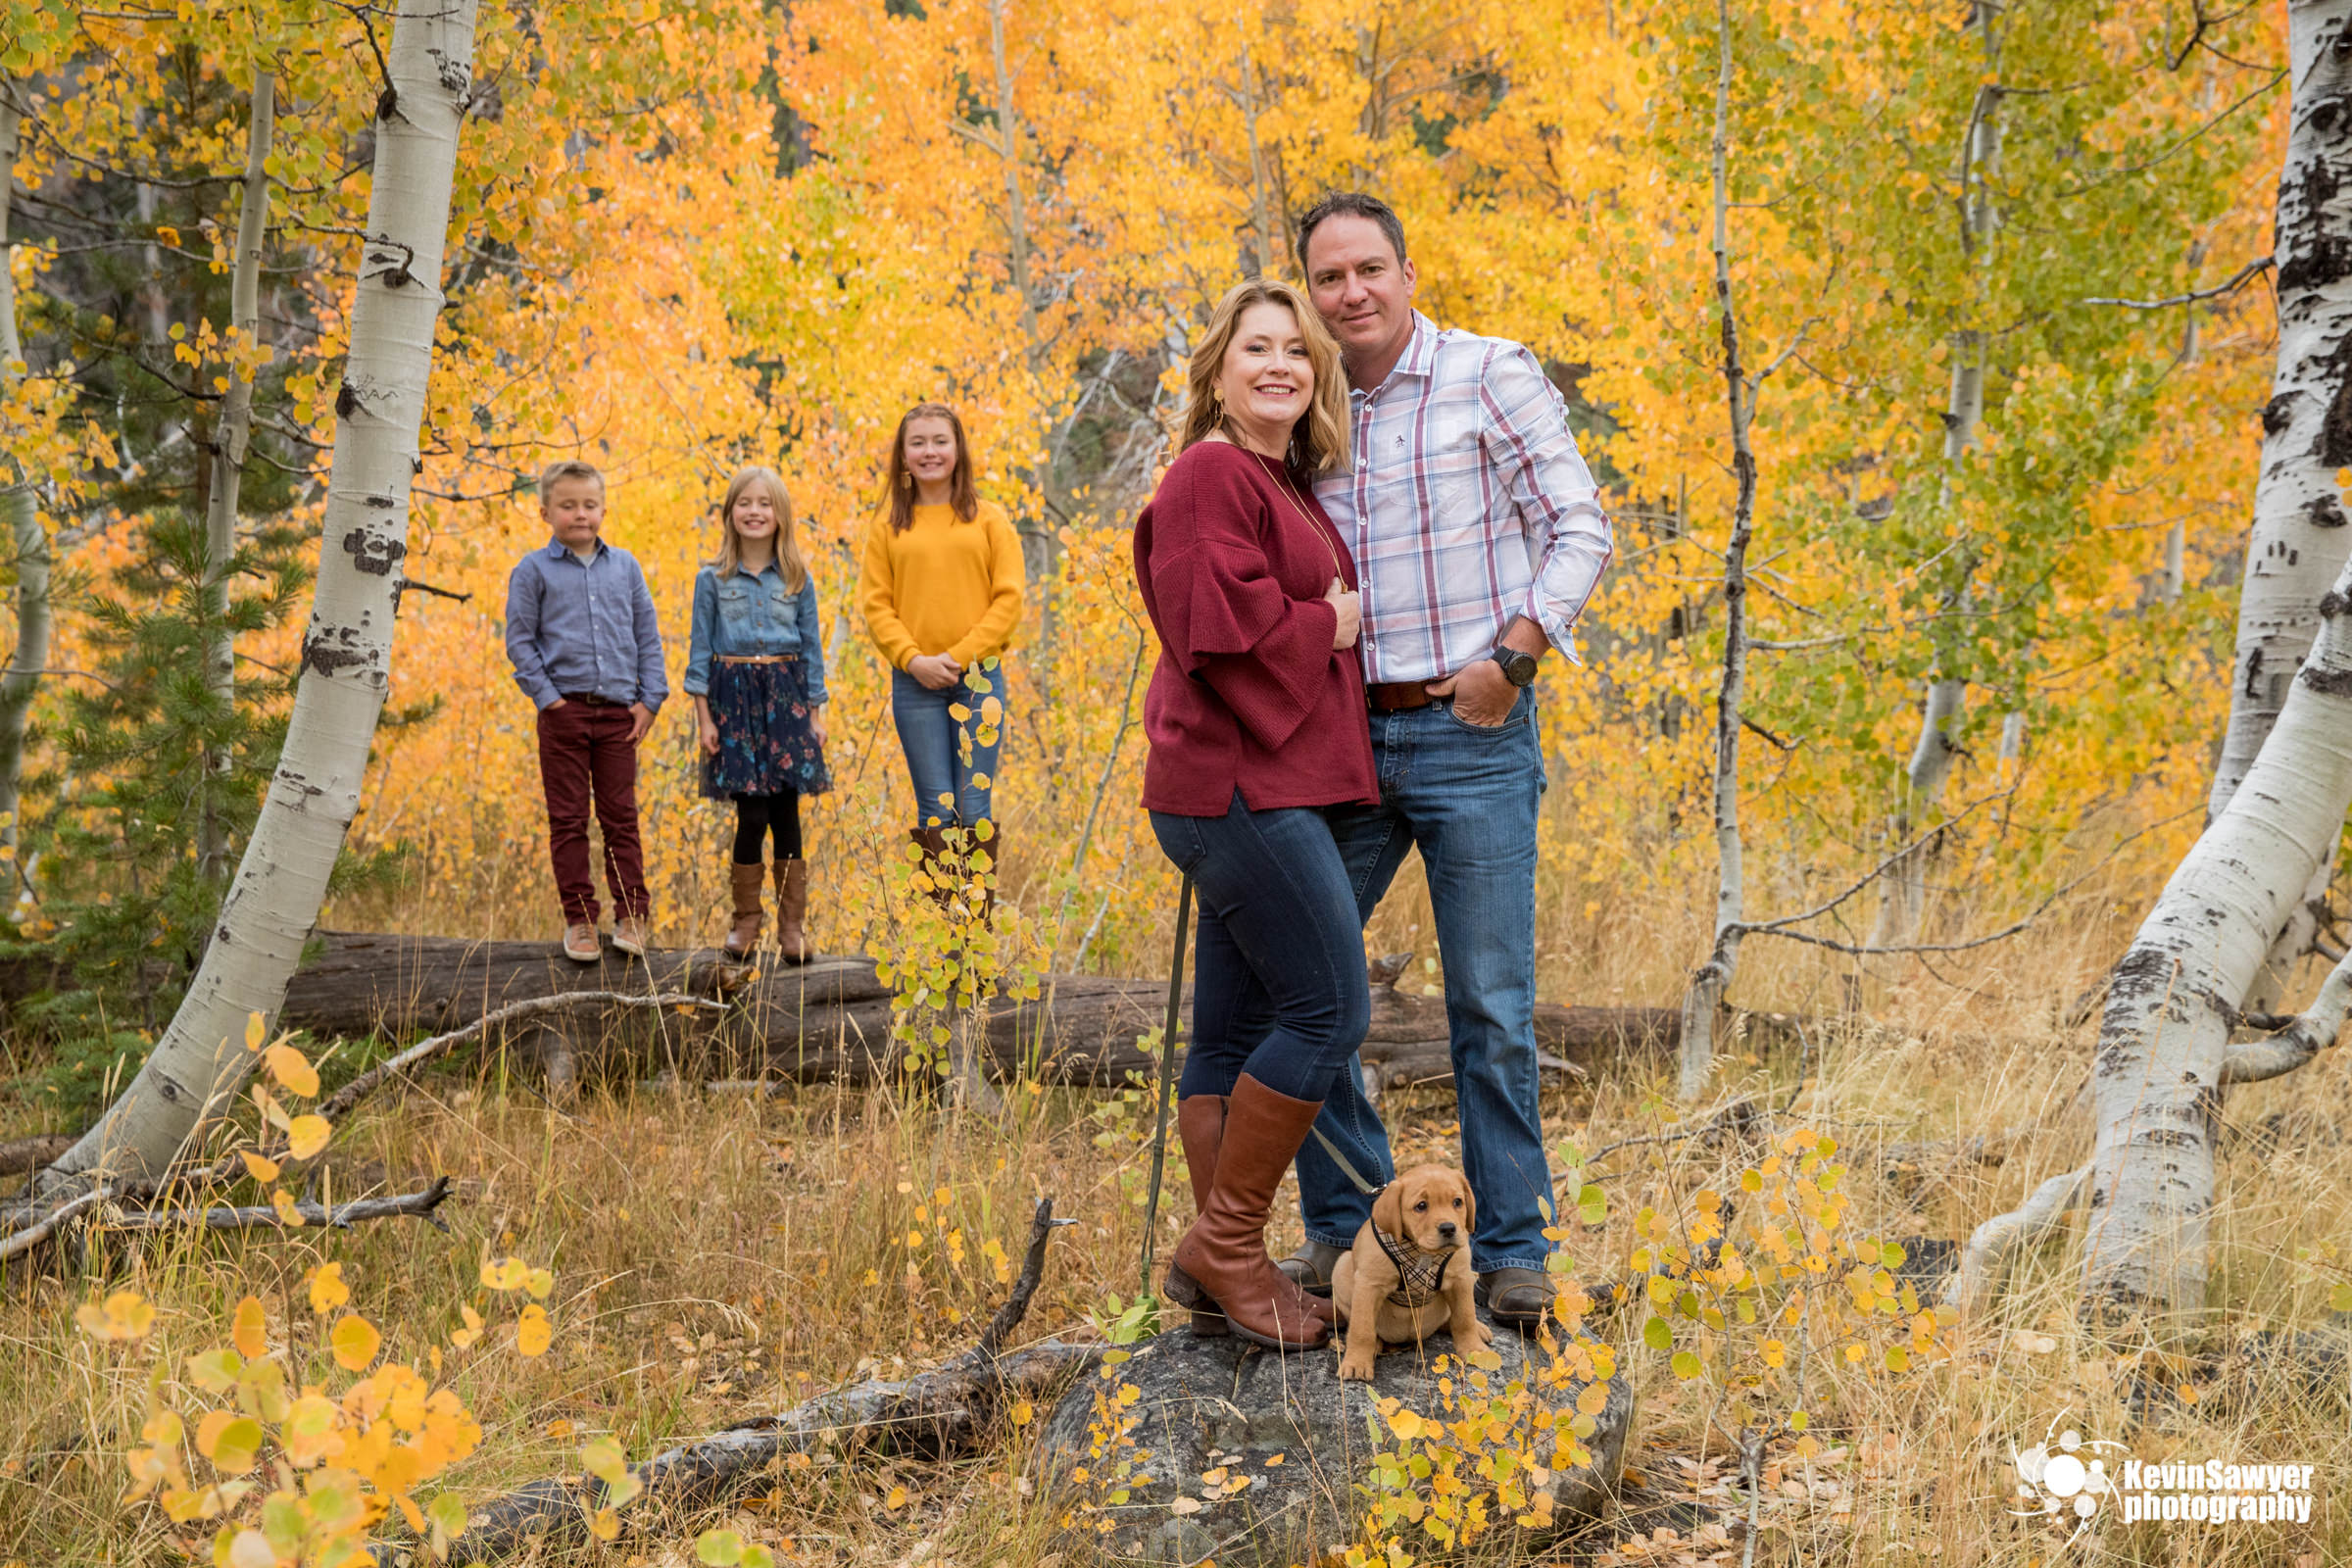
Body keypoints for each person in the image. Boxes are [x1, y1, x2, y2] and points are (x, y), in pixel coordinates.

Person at [1282, 191, 1614, 1329]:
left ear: (1408, 273)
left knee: (1491, 1004)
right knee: (1308, 989)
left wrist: (1512, 658)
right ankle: (1347, 1232)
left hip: (1472, 728)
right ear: (1310, 291)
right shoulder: (1306, 407)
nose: (1351, 293)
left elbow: (1580, 524)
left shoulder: (1488, 373)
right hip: (1340, 739)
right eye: (1329, 278)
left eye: (1369, 269)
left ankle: (1512, 1244)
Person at [1135, 276, 1376, 1353]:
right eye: (1256, 348)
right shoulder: (1208, 473)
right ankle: (1229, 1244)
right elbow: (1209, 622)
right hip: (1231, 785)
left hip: (1261, 783)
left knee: (1234, 1031)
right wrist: (1323, 625)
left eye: (1297, 349)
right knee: (1329, 1008)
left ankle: (1216, 1256)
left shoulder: (1278, 483)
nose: (1279, 363)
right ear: (1219, 373)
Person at [504, 458, 670, 962]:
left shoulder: (626, 567)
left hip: (620, 714)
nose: (580, 514)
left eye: (590, 505)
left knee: (621, 817)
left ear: (603, 509)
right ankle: (579, 920)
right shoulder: (533, 571)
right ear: (545, 512)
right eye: (568, 505)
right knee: (569, 819)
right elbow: (519, 640)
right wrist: (549, 700)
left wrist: (650, 701)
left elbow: (648, 636)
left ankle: (631, 915)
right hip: (564, 715)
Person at [858, 403, 1026, 902]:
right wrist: (913, 659)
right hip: (915, 684)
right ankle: (940, 943)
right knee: (935, 808)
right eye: (918, 443)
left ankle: (973, 946)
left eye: (939, 441)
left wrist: (959, 656)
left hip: (979, 681)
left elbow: (1009, 599)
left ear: (958, 449)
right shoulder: (887, 527)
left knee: (973, 808)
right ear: (903, 456)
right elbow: (876, 605)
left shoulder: (990, 520)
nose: (929, 452)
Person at [685, 466, 832, 966]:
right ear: (730, 513)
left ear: (780, 515)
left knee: (787, 813)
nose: (754, 511)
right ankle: (746, 922)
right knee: (751, 815)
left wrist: (816, 713)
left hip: (786, 697)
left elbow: (812, 648)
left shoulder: (796, 578)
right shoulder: (712, 579)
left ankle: (792, 929)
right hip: (735, 701)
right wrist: (704, 718)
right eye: (744, 502)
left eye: (765, 504)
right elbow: (699, 652)